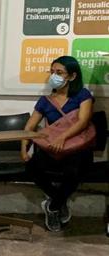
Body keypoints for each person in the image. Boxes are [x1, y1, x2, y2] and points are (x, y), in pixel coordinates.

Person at [21, 56, 94, 233]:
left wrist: (63, 137)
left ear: (72, 76)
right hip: (51, 149)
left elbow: (83, 121)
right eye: (52, 72)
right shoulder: (45, 101)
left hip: (76, 149)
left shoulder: (83, 96)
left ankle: (53, 207)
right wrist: (24, 148)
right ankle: (57, 201)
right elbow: (30, 126)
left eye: (59, 72)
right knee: (30, 165)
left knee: (76, 170)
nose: (54, 76)